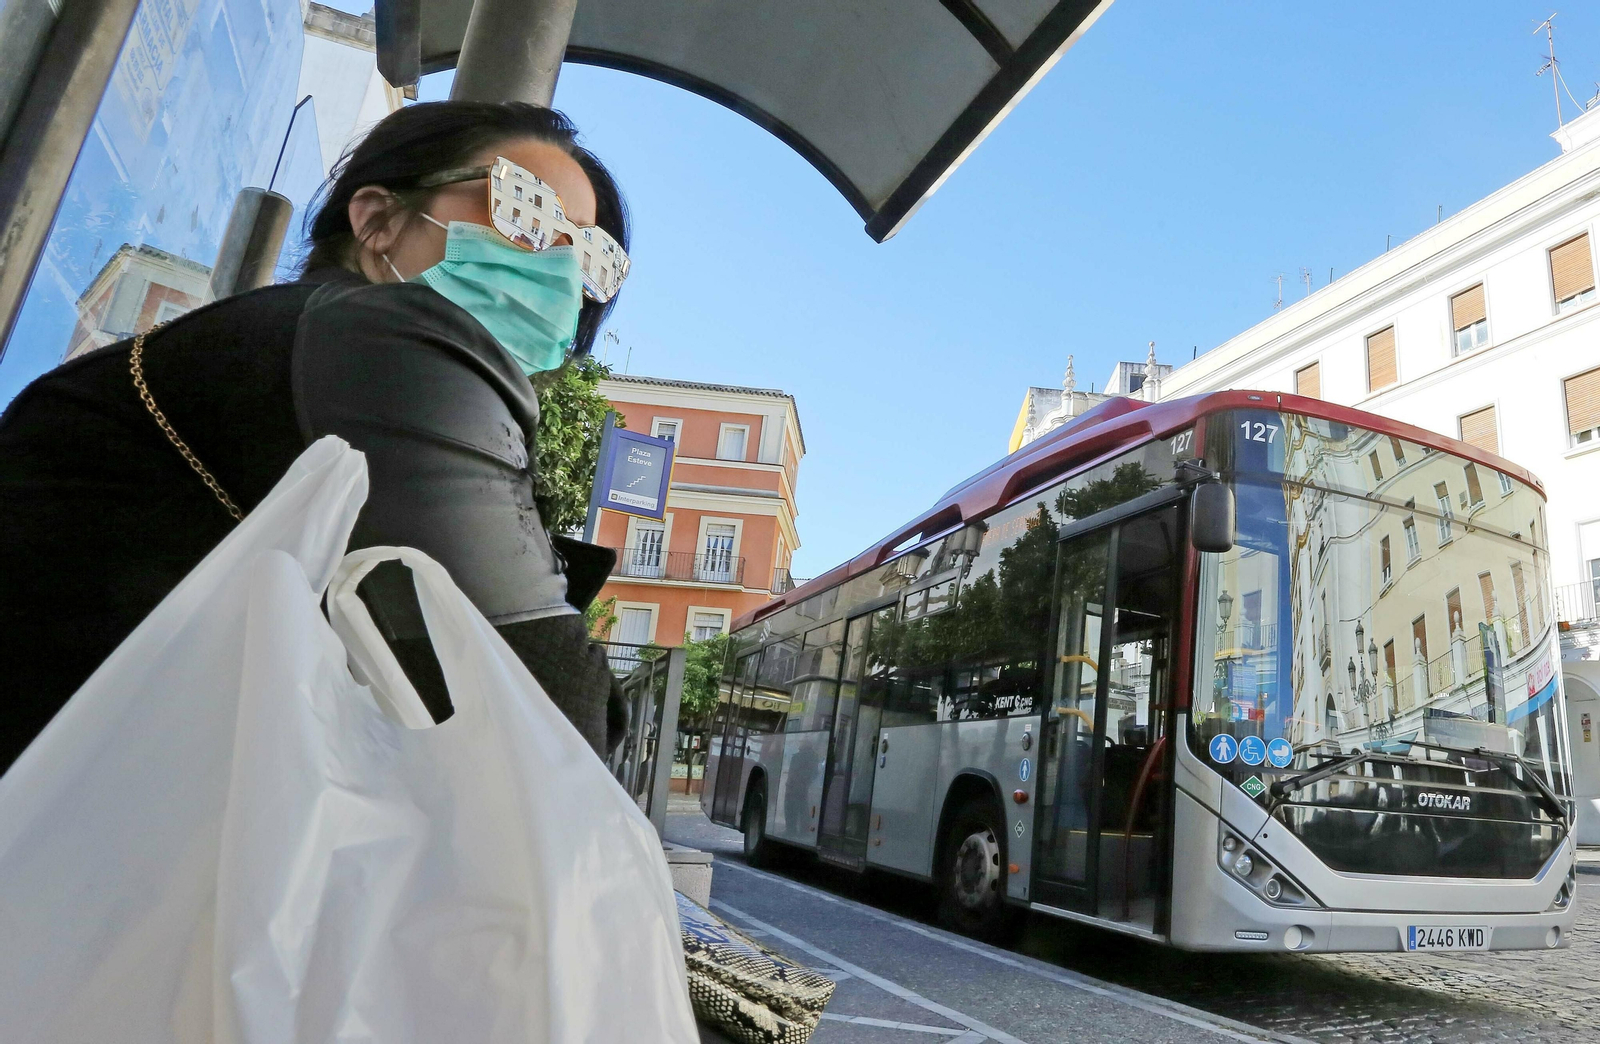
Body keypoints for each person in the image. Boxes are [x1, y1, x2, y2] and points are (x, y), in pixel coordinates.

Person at [0, 101, 633, 772]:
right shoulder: (383, 344)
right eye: (526, 212)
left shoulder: (309, 358)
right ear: (378, 220)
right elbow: (563, 723)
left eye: (588, 256)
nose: (560, 272)